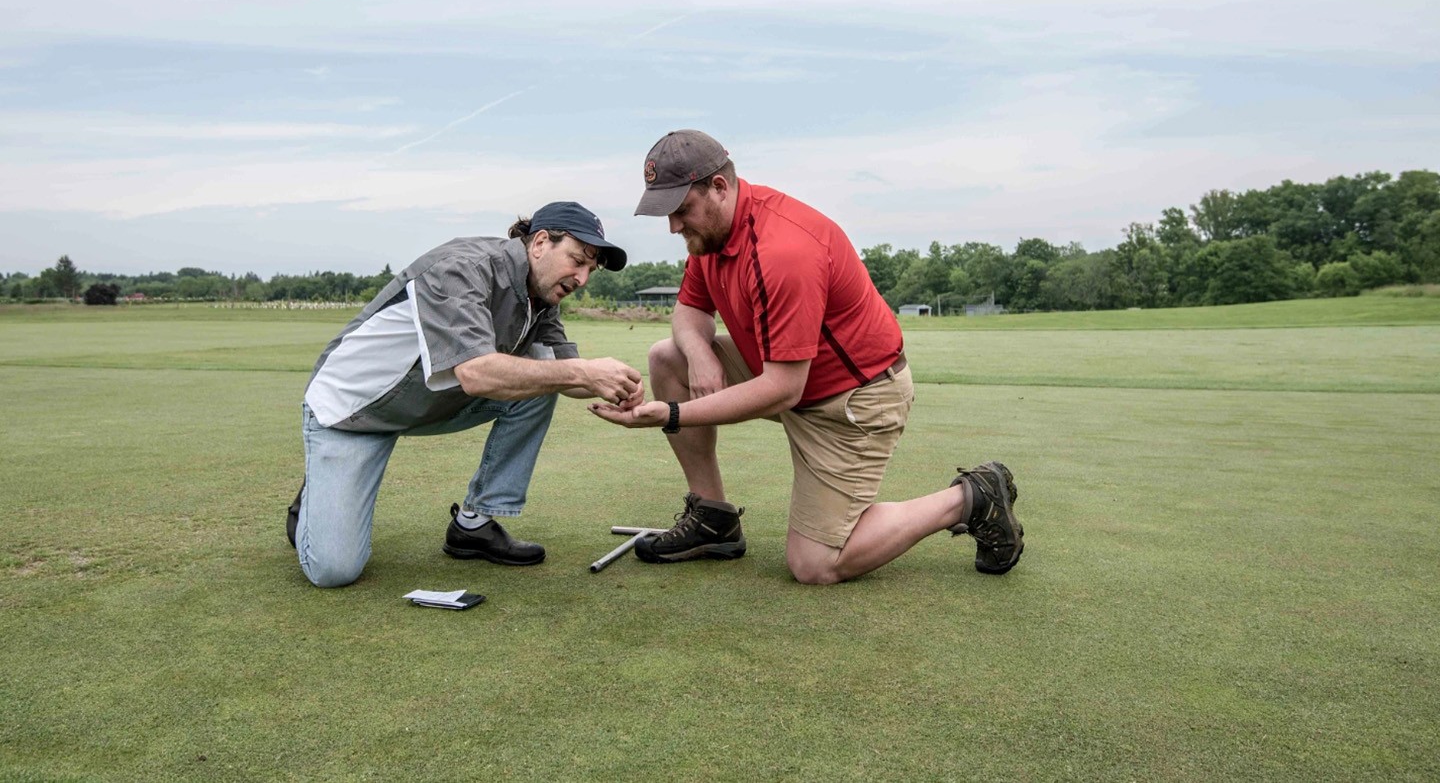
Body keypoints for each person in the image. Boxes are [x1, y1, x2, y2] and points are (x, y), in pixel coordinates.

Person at [590, 130, 1024, 584]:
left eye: (681, 211)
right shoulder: (712, 236)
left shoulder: (784, 251)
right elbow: (689, 310)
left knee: (815, 564)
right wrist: (699, 353)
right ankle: (713, 518)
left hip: (854, 400)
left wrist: (674, 414)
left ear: (719, 188)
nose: (674, 227)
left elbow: (782, 389)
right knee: (668, 357)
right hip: (792, 378)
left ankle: (971, 497)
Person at [288, 201, 643, 588]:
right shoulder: (463, 267)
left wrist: (613, 385)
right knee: (334, 571)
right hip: (349, 413)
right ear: (540, 242)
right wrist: (582, 372)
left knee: (543, 379)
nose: (583, 278)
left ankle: (473, 524)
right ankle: (315, 498)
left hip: (424, 402)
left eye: (590, 269)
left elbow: (565, 374)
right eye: (577, 260)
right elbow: (476, 374)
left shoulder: (541, 298)